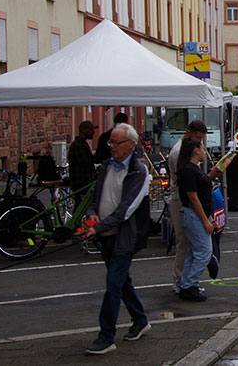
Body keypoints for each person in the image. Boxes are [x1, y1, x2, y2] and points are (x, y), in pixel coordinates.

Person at [82, 123, 150, 355]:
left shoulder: (138, 172)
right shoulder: (107, 167)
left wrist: (98, 226)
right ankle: (140, 319)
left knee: (113, 283)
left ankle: (106, 335)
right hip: (105, 235)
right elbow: (96, 197)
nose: (111, 147)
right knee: (121, 281)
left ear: (131, 145)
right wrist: (91, 215)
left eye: (116, 143)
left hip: (124, 237)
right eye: (110, 142)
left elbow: (126, 209)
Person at [168, 120, 219, 294]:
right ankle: (182, 281)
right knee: (187, 243)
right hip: (183, 202)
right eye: (198, 139)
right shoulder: (179, 154)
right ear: (189, 133)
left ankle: (186, 281)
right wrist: (206, 220)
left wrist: (209, 177)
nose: (201, 144)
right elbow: (190, 190)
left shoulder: (188, 157)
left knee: (192, 245)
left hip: (189, 201)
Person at [177, 137, 214, 302]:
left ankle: (186, 284)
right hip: (194, 214)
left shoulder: (192, 169)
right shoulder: (189, 171)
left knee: (193, 251)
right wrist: (205, 220)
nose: (204, 151)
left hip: (195, 213)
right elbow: (193, 198)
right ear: (195, 150)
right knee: (204, 252)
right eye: (202, 148)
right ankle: (190, 283)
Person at [68, 120, 98, 206]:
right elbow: (86, 164)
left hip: (81, 182)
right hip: (81, 183)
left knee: (80, 207)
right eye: (90, 130)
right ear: (83, 130)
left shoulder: (81, 144)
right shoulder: (79, 145)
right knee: (80, 207)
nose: (93, 132)